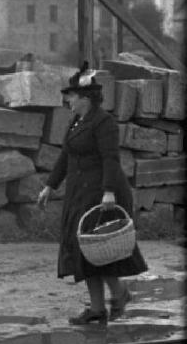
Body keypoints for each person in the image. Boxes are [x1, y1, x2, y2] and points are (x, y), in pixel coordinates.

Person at [38, 63, 147, 325]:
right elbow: (66, 155)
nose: (67, 101)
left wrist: (109, 192)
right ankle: (98, 308)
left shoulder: (104, 123)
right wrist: (50, 185)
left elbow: (111, 158)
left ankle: (119, 294)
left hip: (102, 193)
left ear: (85, 98)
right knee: (82, 249)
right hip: (79, 193)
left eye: (71, 96)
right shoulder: (76, 121)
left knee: (101, 250)